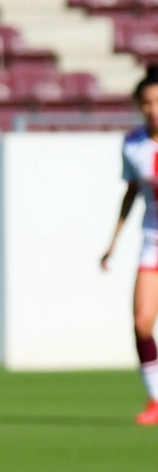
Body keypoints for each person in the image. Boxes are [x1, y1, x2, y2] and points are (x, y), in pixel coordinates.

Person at [103, 64, 158, 425]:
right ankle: (155, 399)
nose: (153, 109)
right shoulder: (134, 144)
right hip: (153, 239)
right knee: (141, 322)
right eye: (147, 102)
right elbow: (132, 193)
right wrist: (113, 243)